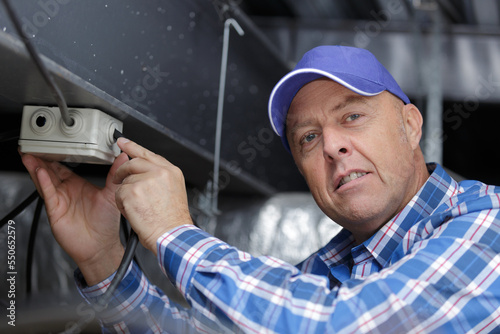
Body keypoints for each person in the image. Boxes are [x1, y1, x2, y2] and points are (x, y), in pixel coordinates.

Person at [21, 45, 500, 333]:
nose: (332, 145)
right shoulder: (326, 273)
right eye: (308, 138)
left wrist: (175, 233)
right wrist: (105, 261)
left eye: (352, 116)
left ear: (411, 125)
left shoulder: (487, 223)